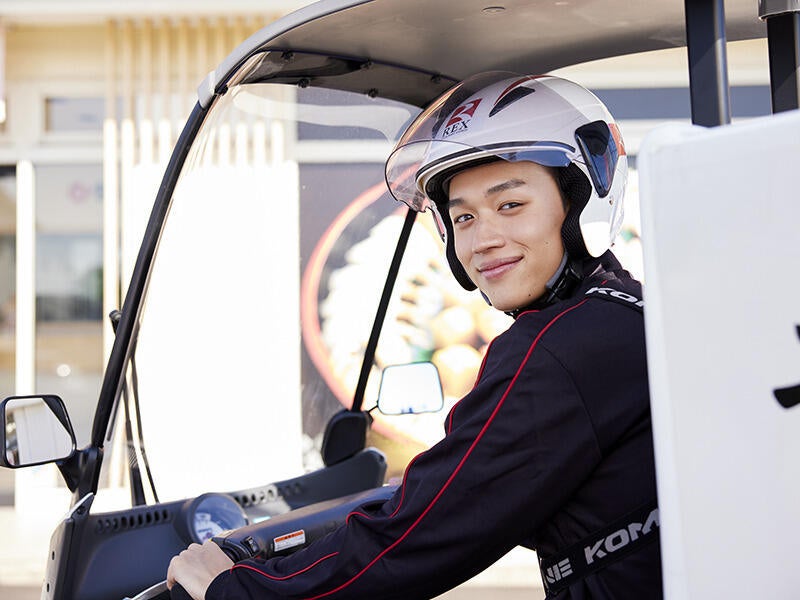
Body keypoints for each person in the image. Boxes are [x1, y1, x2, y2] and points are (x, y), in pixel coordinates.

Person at [167, 72, 661, 599]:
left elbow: (422, 536)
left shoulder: (561, 348)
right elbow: (467, 489)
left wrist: (235, 588)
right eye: (464, 217)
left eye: (510, 205)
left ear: (580, 199)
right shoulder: (624, 312)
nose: (484, 239)